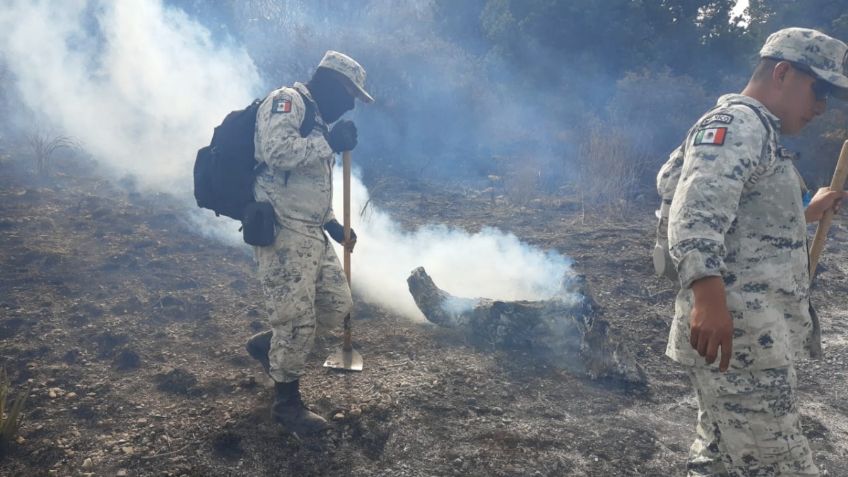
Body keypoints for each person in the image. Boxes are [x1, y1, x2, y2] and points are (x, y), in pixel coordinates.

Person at [662, 28, 848, 476]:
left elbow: (740, 216)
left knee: (719, 455)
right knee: (781, 464)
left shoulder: (761, 134)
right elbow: (695, 213)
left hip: (746, 338)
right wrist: (708, 299)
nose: (822, 107)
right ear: (782, 72)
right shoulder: (739, 125)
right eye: (819, 90)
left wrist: (807, 210)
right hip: (740, 339)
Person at [244, 50, 374, 433]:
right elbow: (278, 153)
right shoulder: (287, 103)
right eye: (350, 95)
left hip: (311, 231)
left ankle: (269, 346)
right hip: (282, 231)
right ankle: (286, 405)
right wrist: (330, 143)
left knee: (337, 304)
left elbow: (308, 184)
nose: (351, 104)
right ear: (332, 83)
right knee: (297, 320)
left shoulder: (317, 121)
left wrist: (333, 224)